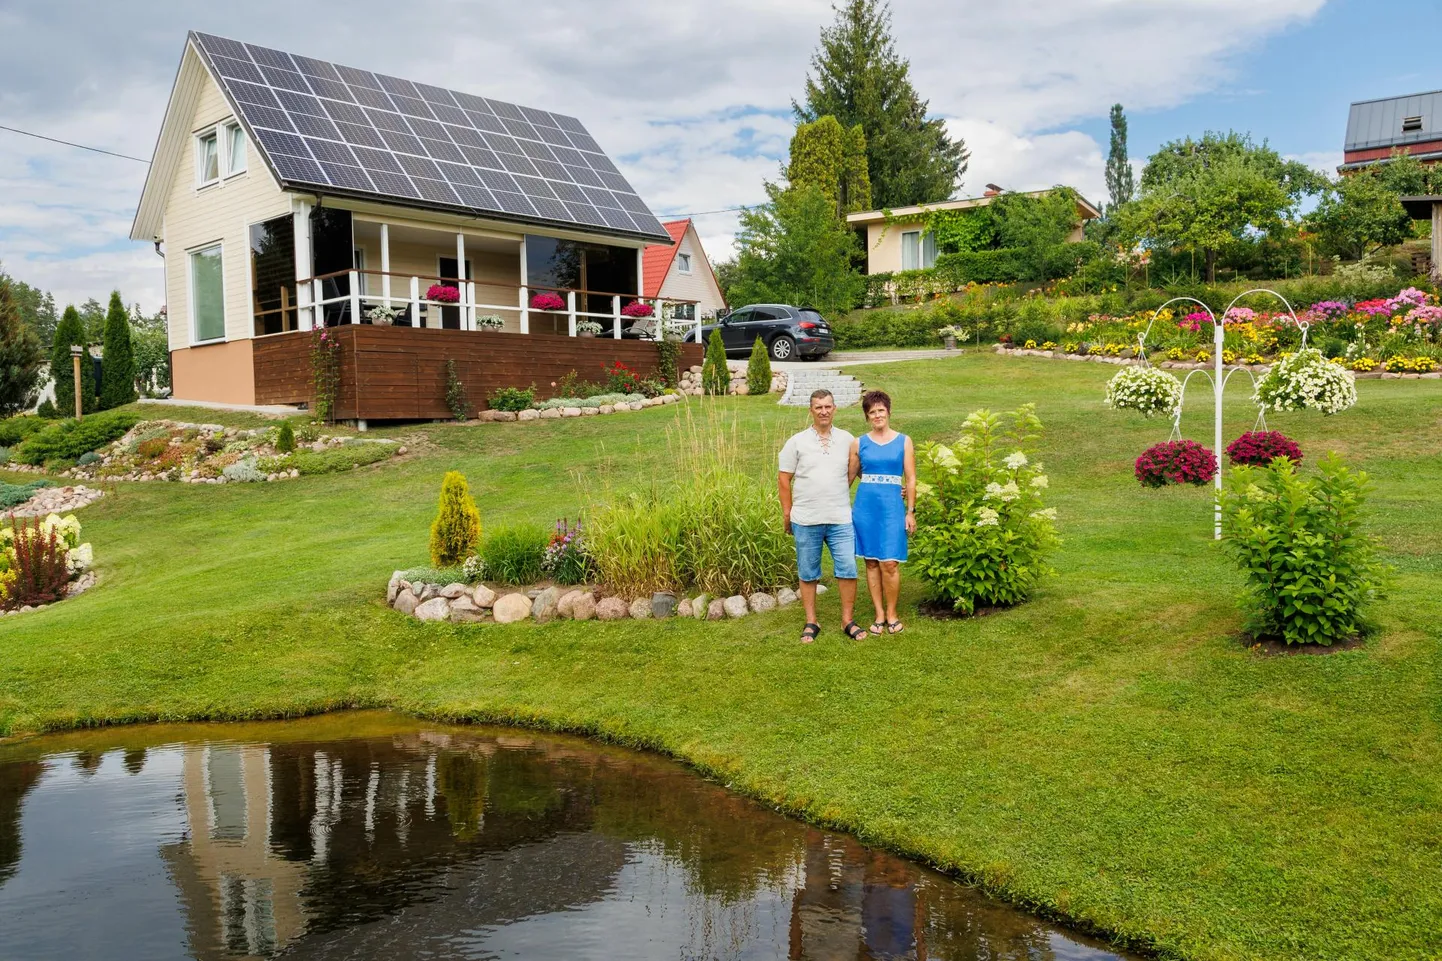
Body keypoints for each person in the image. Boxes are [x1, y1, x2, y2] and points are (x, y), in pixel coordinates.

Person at [778, 389, 865, 643]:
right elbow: (784, 478)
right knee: (808, 572)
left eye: (828, 406)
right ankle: (811, 621)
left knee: (848, 568)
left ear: (835, 409)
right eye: (818, 407)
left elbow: (862, 472)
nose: (824, 411)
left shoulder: (848, 439)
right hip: (806, 519)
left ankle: (847, 620)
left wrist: (894, 487)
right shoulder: (797, 441)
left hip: (840, 518)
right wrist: (787, 513)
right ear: (811, 411)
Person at [848, 390, 916, 635]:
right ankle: (879, 614)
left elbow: (911, 478)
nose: (877, 415)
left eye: (880, 410)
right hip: (866, 508)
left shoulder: (904, 441)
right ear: (867, 416)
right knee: (871, 562)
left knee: (890, 563)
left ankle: (892, 613)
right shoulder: (859, 443)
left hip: (892, 509)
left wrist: (910, 511)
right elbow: (851, 474)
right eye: (871, 412)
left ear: (888, 412)